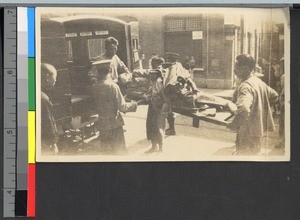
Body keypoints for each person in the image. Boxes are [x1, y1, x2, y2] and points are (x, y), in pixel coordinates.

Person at [227, 54, 278, 155]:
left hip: (247, 132)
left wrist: (234, 118)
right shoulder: (258, 81)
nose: (234, 70)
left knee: (244, 159)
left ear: (246, 68)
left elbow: (244, 109)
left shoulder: (245, 86)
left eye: (237, 68)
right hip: (258, 130)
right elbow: (274, 95)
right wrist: (260, 109)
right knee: (254, 157)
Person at [91, 59, 137, 154]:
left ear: (98, 72)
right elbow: (122, 107)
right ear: (110, 70)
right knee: (119, 152)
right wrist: (133, 104)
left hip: (102, 124)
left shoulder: (95, 86)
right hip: (114, 124)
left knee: (107, 153)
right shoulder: (112, 86)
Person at [163, 52, 199, 136]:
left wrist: (195, 89)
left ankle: (171, 129)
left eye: (170, 60)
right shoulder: (168, 68)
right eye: (168, 59)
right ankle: (171, 129)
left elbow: (188, 79)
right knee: (169, 112)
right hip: (170, 92)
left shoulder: (178, 68)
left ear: (174, 60)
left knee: (169, 111)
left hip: (177, 93)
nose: (168, 61)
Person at [144, 57, 167, 153]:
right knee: (152, 125)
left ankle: (159, 147)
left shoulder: (159, 80)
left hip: (158, 105)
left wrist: (148, 97)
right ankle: (155, 146)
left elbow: (157, 93)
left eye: (154, 65)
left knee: (157, 125)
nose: (152, 68)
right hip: (155, 105)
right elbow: (151, 91)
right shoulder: (155, 80)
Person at [41, 63, 59, 154]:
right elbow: (48, 123)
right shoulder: (43, 98)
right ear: (47, 77)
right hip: (43, 144)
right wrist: (53, 143)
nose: (55, 80)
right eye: (55, 77)